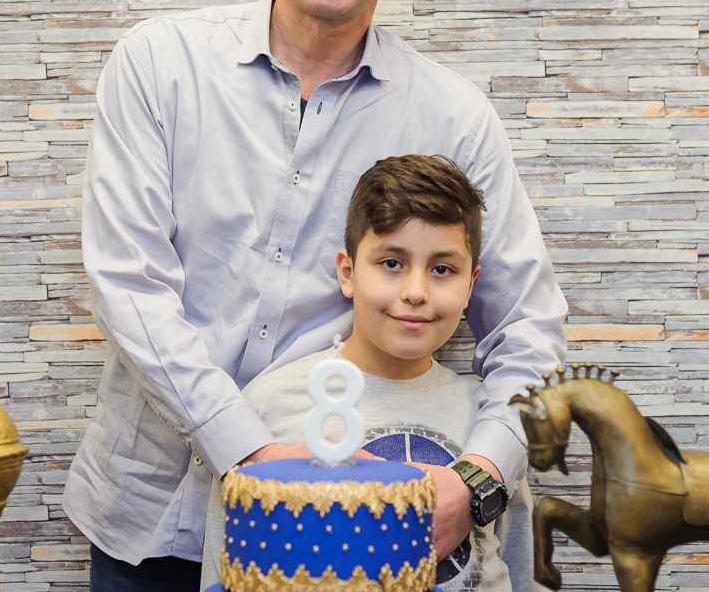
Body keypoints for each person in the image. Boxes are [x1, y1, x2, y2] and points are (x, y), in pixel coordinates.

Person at [65, 0, 566, 591]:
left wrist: (476, 479)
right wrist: (259, 455)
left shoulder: (456, 119)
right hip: (147, 521)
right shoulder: (158, 65)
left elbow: (528, 329)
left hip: (346, 543)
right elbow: (128, 287)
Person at [201, 155, 540, 592]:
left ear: (470, 286)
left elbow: (515, 564)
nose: (415, 292)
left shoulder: (491, 420)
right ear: (348, 273)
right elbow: (228, 566)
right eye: (392, 263)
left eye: (442, 269)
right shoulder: (267, 406)